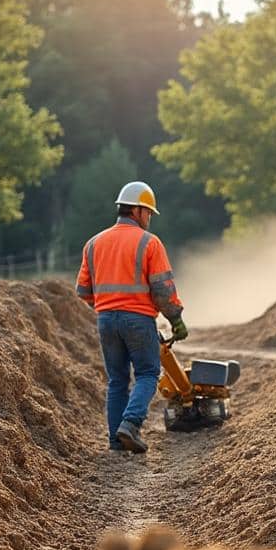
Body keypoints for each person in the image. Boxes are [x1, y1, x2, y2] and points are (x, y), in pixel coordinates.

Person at [76, 181, 187, 454]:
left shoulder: (93, 243)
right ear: (137, 211)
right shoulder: (149, 243)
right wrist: (176, 319)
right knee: (148, 373)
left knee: (117, 380)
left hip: (105, 320)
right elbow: (163, 290)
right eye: (148, 212)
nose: (149, 218)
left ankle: (116, 440)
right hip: (137, 319)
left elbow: (83, 290)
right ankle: (131, 423)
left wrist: (107, 306)